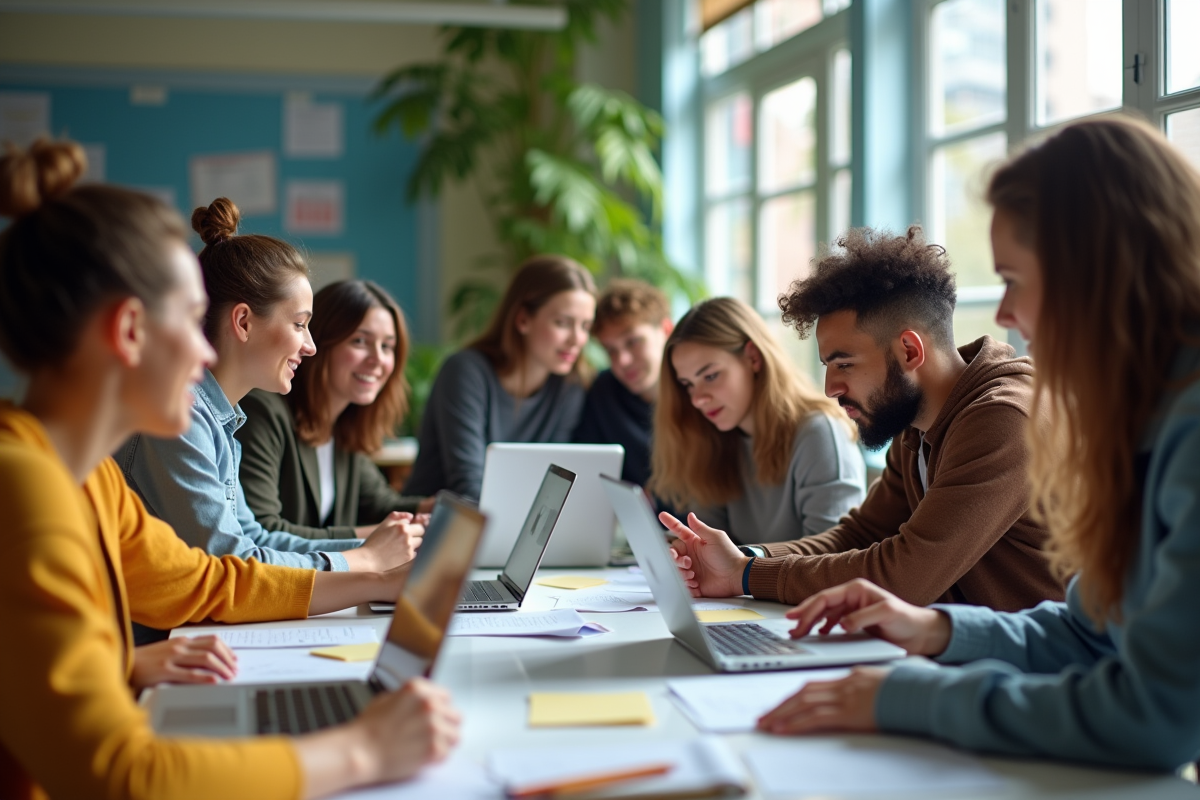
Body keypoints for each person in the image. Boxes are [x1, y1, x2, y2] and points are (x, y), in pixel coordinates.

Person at [0, 139, 459, 800]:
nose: (203, 349)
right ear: (129, 331)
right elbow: (121, 777)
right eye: (191, 320)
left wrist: (380, 582)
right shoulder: (24, 491)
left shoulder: (86, 477)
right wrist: (361, 748)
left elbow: (205, 582)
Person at [753, 117, 1200, 770]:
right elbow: (1089, 632)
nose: (1007, 313)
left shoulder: (1183, 426)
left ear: (1094, 270)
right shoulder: (1141, 415)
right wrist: (935, 629)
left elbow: (1154, 718)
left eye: (1014, 279)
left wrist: (914, 696)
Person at [666, 228, 1062, 611]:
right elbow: (861, 535)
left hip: (1047, 670)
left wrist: (748, 575)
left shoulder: (1004, 419)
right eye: (827, 365)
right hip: (964, 654)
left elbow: (908, 576)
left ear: (909, 351)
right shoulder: (917, 424)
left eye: (844, 364)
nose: (831, 388)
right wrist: (745, 558)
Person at [117, 198, 420, 576]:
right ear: (243, 322)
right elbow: (232, 560)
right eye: (299, 324)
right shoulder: (181, 416)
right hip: (156, 635)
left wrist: (375, 549)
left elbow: (256, 539)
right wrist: (366, 560)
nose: (310, 345)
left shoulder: (220, 421)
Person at [650, 296, 865, 544]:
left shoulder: (820, 433)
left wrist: (738, 566)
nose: (697, 399)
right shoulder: (715, 439)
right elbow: (710, 546)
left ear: (753, 357)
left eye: (710, 376)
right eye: (688, 384)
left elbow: (830, 559)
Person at [237, 279, 428, 540]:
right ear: (321, 342)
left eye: (387, 346)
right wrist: (377, 539)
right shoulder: (263, 411)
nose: (377, 360)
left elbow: (380, 505)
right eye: (360, 341)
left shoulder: (343, 424)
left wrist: (437, 510)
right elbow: (263, 531)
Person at [403, 254, 595, 499]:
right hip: (434, 528)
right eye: (562, 323)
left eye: (586, 326)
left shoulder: (570, 386)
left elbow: (552, 486)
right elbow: (469, 485)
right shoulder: (466, 371)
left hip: (514, 528)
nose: (577, 340)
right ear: (523, 319)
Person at [573, 278, 673, 489]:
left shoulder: (700, 394)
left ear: (666, 329)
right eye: (611, 350)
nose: (622, 361)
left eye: (633, 342)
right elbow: (587, 474)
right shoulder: (604, 393)